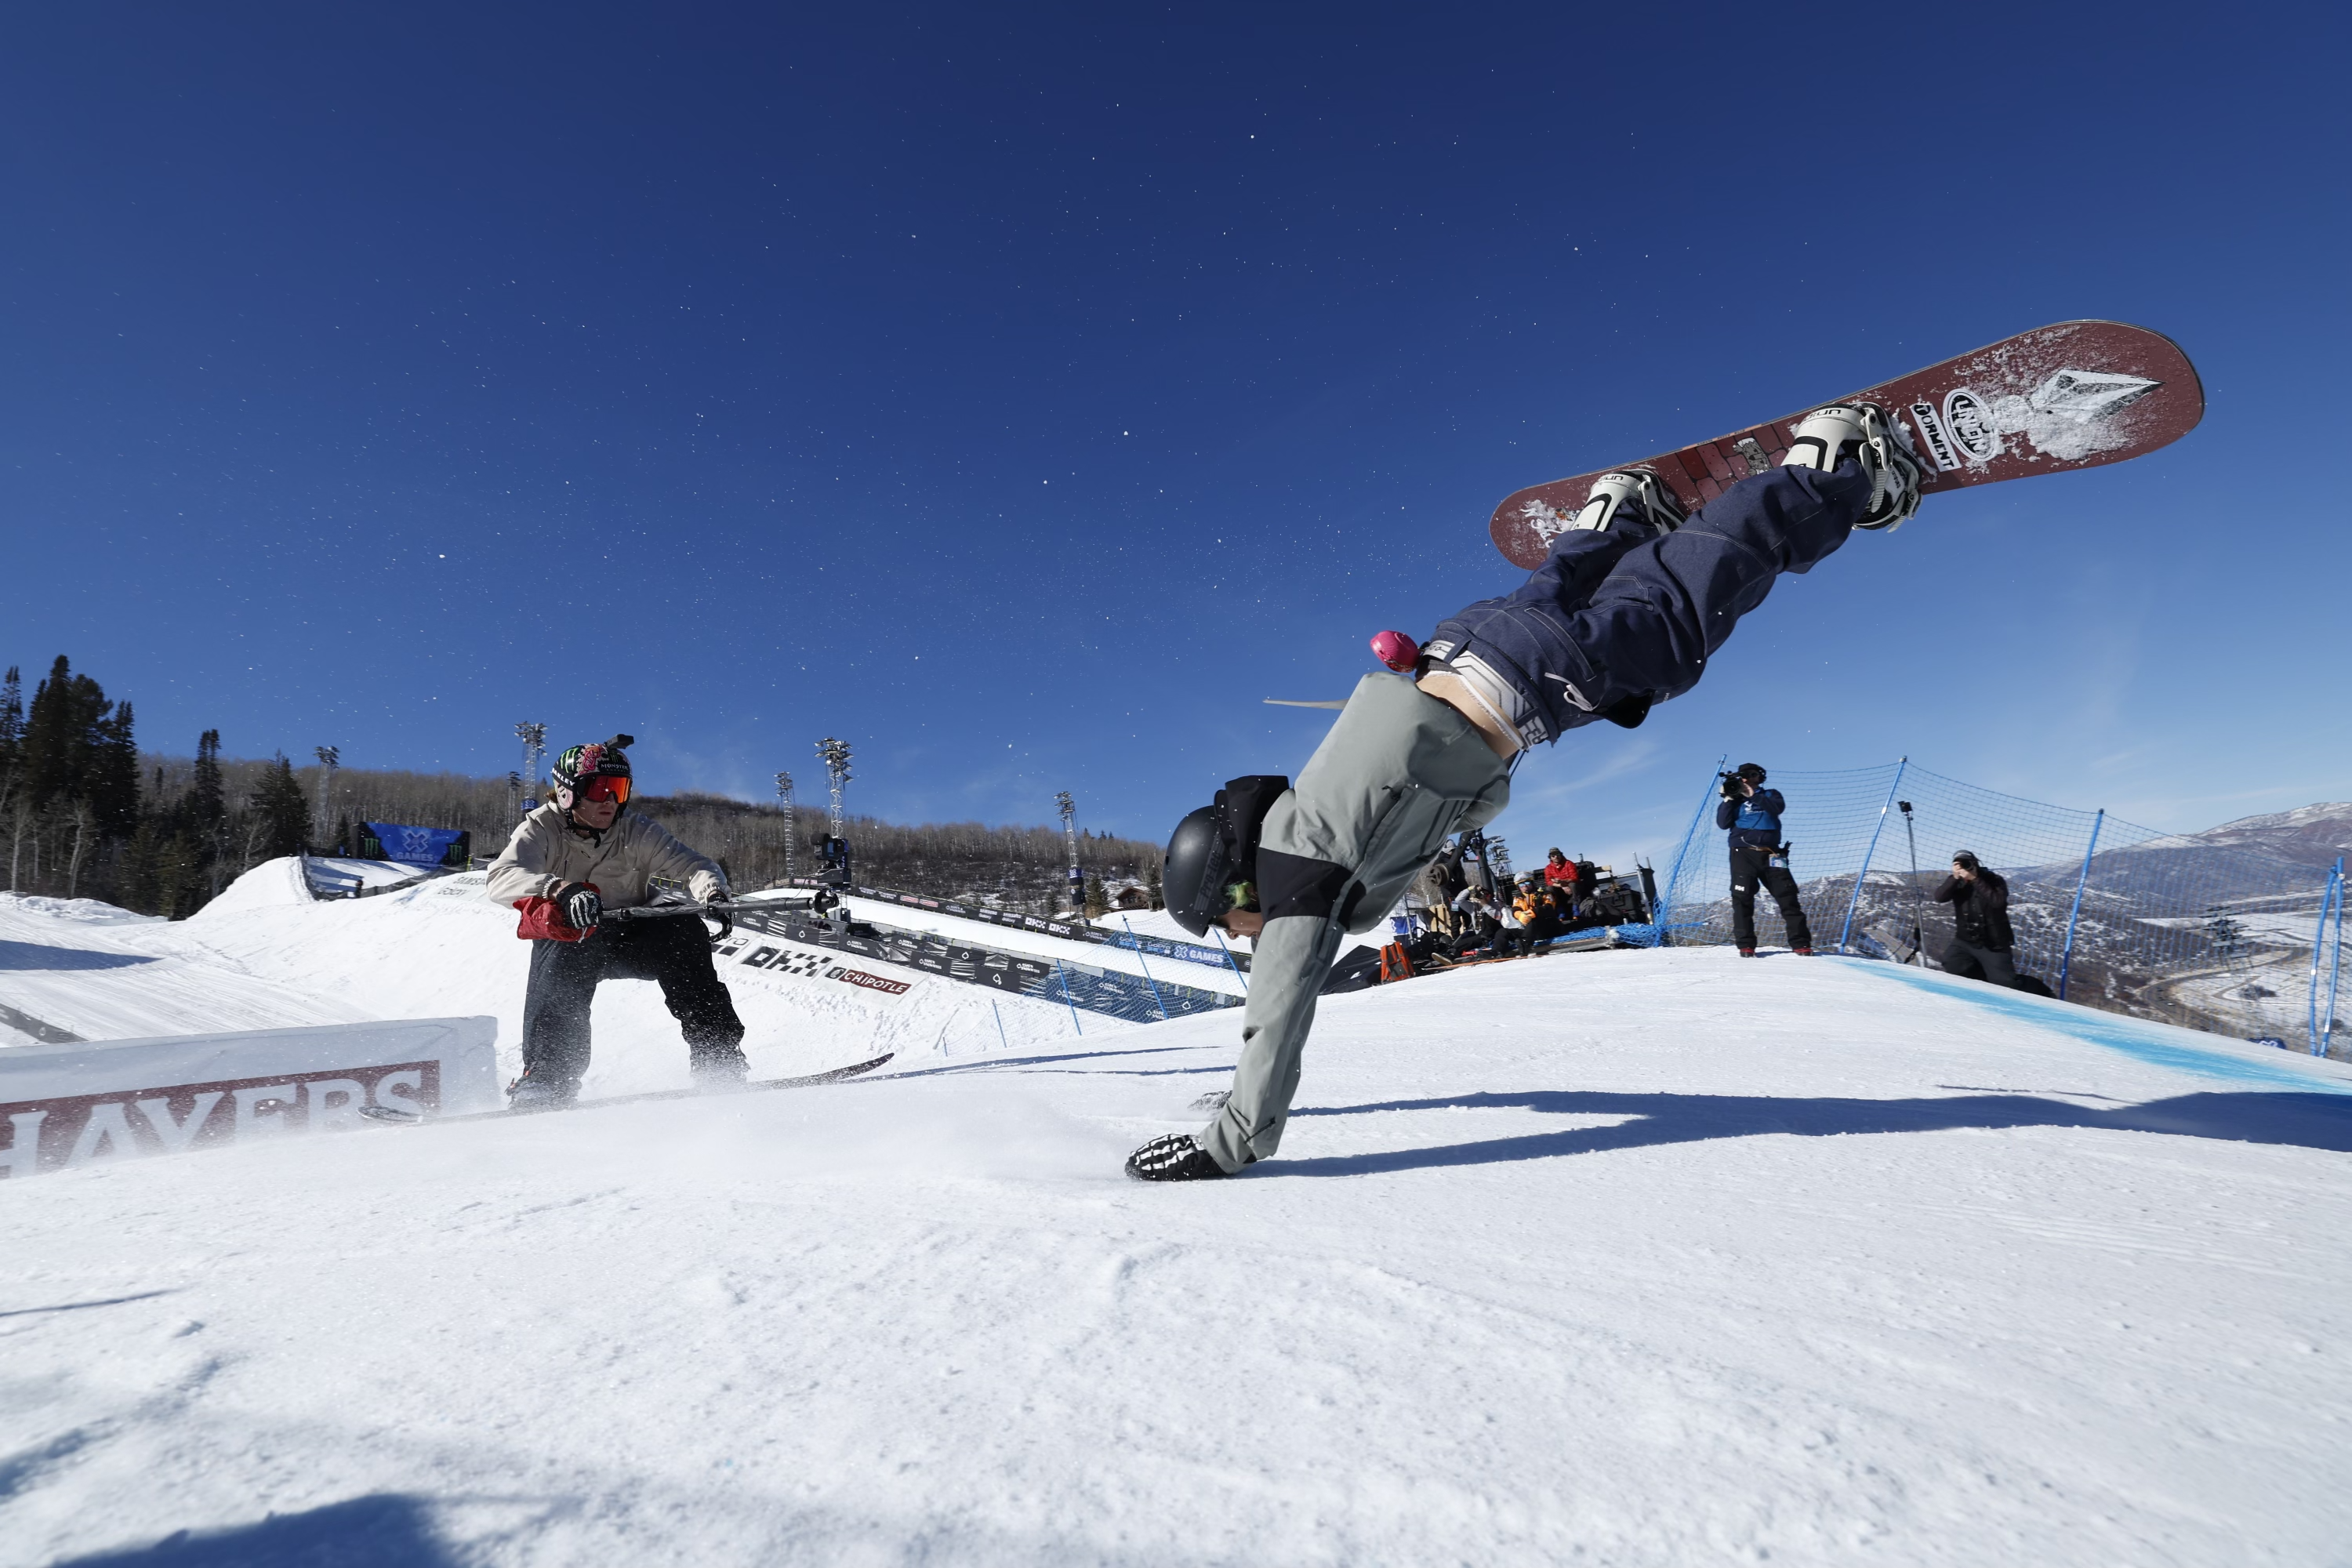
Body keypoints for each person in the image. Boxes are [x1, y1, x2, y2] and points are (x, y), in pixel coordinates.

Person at [1134, 402, 1925, 1181]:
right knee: (1571, 583)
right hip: (1466, 642)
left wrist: (1228, 1138)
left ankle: (1832, 467)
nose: (1243, 938)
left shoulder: (1297, 879)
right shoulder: (1305, 815)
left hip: (1526, 683)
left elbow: (1276, 1013)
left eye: (1226, 924)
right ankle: (1617, 510)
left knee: (1679, 614)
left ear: (1233, 885)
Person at [485, 735, 747, 1110]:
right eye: (598, 790)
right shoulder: (541, 827)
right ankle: (548, 1079)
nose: (610, 800)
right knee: (560, 942)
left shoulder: (637, 831)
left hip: (635, 937)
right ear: (567, 794)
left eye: (619, 790)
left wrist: (713, 893)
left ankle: (717, 1056)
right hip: (578, 942)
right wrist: (558, 889)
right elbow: (501, 878)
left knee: (684, 928)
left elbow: (694, 866)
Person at [1715, 762, 1814, 956]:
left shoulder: (1771, 794)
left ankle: (1801, 943)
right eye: (1743, 776)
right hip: (1742, 853)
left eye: (1752, 775)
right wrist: (1728, 800)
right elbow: (1723, 824)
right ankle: (1746, 946)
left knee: (1788, 897)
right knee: (1742, 899)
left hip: (1772, 853)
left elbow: (1776, 809)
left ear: (1760, 777)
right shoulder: (1734, 800)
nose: (1747, 779)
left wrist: (1753, 795)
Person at [1932, 851, 2016, 986]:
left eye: (1966, 864)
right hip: (1965, 940)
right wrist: (1954, 878)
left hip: (1994, 943)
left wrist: (1975, 879)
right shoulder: (1956, 882)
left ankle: (2037, 990)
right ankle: (1981, 982)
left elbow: (1998, 902)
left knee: (2005, 983)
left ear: (1975, 864)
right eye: (1959, 864)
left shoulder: (1994, 880)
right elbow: (1940, 897)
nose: (1964, 868)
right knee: (1952, 963)